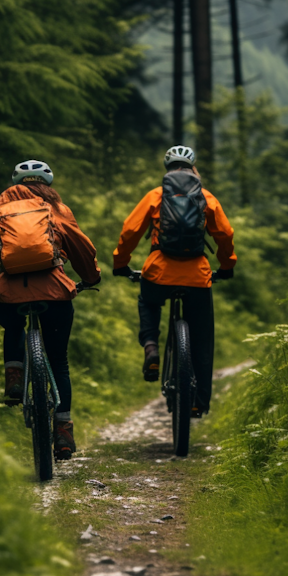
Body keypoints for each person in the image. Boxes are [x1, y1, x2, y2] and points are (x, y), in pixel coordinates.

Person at [0, 159, 101, 459]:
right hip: (55, 293)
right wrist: (90, 277)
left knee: (12, 322)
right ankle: (64, 430)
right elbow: (81, 246)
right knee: (59, 360)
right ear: (48, 185)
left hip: (9, 293)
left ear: (15, 184)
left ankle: (14, 377)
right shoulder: (58, 210)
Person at [112, 145, 236, 416]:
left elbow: (130, 231)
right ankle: (196, 402)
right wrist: (227, 266)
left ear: (167, 169)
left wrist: (121, 264)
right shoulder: (206, 197)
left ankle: (151, 346)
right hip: (197, 277)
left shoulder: (156, 196)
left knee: (148, 300)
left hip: (158, 272)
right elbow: (225, 234)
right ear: (193, 168)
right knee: (201, 339)